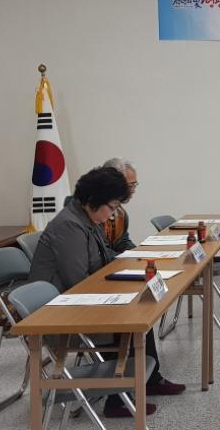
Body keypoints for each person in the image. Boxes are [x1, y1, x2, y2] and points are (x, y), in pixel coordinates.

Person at [29, 167, 184, 419]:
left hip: (80, 299)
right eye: (111, 207)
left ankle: (149, 380)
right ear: (93, 200)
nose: (112, 214)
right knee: (129, 319)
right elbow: (78, 281)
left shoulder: (88, 220)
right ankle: (118, 400)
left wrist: (133, 261)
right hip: (58, 315)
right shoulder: (69, 226)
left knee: (141, 314)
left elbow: (105, 257)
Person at [101, 157, 138, 253]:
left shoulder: (120, 213)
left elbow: (122, 242)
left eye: (134, 185)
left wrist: (137, 254)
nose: (133, 191)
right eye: (130, 186)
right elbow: (99, 252)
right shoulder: (93, 212)